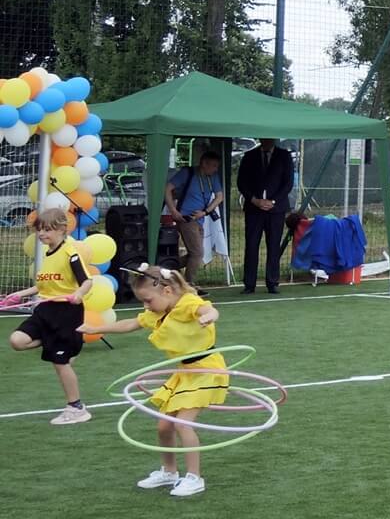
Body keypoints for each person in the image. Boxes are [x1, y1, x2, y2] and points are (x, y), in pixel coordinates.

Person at [81, 263, 226, 494]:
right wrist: (96, 329)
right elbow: (131, 323)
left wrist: (208, 316)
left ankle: (194, 477)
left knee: (183, 423)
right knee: (163, 426)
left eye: (148, 300)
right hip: (185, 372)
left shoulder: (187, 303)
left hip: (207, 371)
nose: (146, 306)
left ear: (167, 291)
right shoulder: (157, 313)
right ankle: (169, 472)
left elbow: (209, 310)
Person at [8, 201, 95, 424]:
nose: (41, 234)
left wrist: (78, 294)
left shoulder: (70, 254)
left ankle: (76, 408)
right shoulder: (48, 254)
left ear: (61, 229)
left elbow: (87, 282)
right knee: (17, 341)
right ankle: (53, 341)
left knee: (60, 362)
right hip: (45, 310)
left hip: (66, 312)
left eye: (47, 229)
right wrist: (20, 294)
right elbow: (43, 286)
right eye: (39, 229)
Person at [237, 137, 293, 295]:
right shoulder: (249, 156)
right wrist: (254, 200)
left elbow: (288, 183)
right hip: (254, 209)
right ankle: (249, 284)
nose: (267, 141)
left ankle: (272, 282)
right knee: (251, 245)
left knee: (274, 245)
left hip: (276, 210)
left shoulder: (284, 156)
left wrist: (273, 201)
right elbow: (242, 182)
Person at [164, 149, 225, 286]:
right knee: (197, 253)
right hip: (186, 218)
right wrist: (173, 210)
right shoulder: (188, 173)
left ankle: (166, 267)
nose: (216, 169)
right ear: (204, 163)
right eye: (214, 166)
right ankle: (189, 284)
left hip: (199, 219)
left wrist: (205, 212)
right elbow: (167, 188)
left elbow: (220, 197)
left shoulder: (212, 178)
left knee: (195, 254)